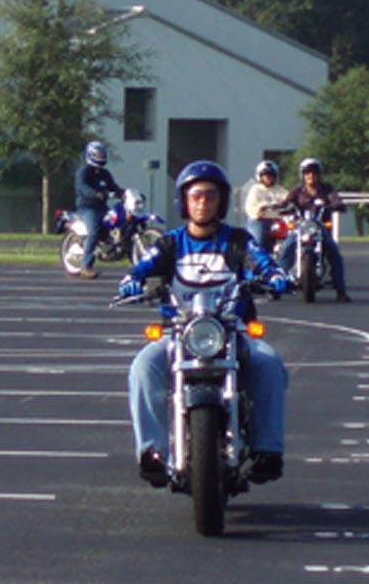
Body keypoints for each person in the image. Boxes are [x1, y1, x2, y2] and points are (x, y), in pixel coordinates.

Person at [119, 160, 290, 487]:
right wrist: (132, 280)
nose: (203, 203)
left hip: (233, 331)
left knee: (269, 363)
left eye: (210, 196)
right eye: (196, 196)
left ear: (221, 201)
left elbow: (260, 260)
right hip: (179, 333)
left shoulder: (237, 240)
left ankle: (268, 450)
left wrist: (274, 275)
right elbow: (143, 266)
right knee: (143, 366)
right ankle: (153, 451)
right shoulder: (170, 243)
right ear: (184, 201)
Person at [273, 157, 351, 302]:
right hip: (300, 227)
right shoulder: (297, 191)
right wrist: (280, 207)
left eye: (314, 172)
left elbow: (335, 200)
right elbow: (286, 203)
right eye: (307, 172)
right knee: (286, 251)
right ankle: (276, 286)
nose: (311, 175)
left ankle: (341, 290)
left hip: (319, 227)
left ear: (319, 174)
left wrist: (337, 205)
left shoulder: (327, 189)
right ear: (302, 175)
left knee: (334, 252)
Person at [73, 140, 124, 279]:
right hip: (87, 207)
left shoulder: (105, 173)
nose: (101, 157)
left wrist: (124, 194)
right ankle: (86, 266)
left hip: (102, 207)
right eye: (99, 155)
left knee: (118, 222)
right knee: (94, 231)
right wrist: (95, 193)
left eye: (103, 155)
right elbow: (82, 187)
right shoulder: (84, 172)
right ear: (91, 155)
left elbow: (113, 187)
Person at [242, 159, 287, 249]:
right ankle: (256, 256)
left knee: (292, 240)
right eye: (265, 174)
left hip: (278, 222)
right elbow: (250, 208)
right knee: (257, 243)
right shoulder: (256, 190)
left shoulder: (280, 190)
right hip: (260, 222)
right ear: (260, 176)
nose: (268, 177)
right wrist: (262, 208)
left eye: (271, 174)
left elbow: (288, 201)